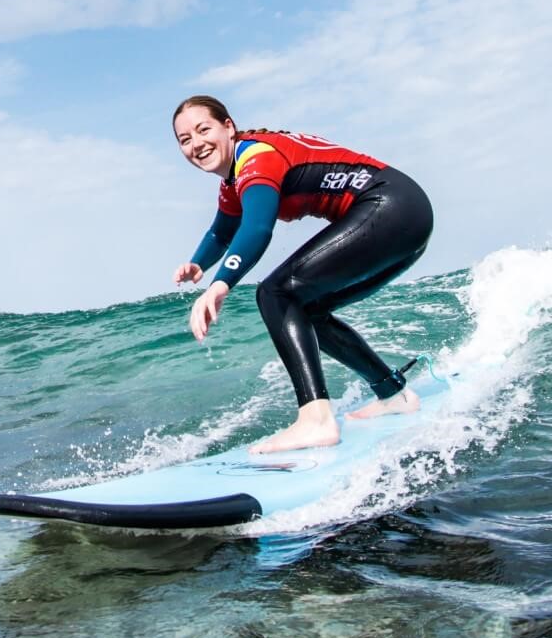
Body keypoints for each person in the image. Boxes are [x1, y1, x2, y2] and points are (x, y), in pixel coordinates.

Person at [171, 95, 434, 454]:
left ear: (228, 127)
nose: (196, 144)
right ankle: (393, 394)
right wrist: (199, 264)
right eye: (185, 139)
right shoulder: (234, 180)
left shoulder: (257, 158)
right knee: (306, 310)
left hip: (390, 208)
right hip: (405, 216)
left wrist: (220, 284)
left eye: (204, 130)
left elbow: (257, 228)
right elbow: (222, 231)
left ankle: (316, 421)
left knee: (274, 293)